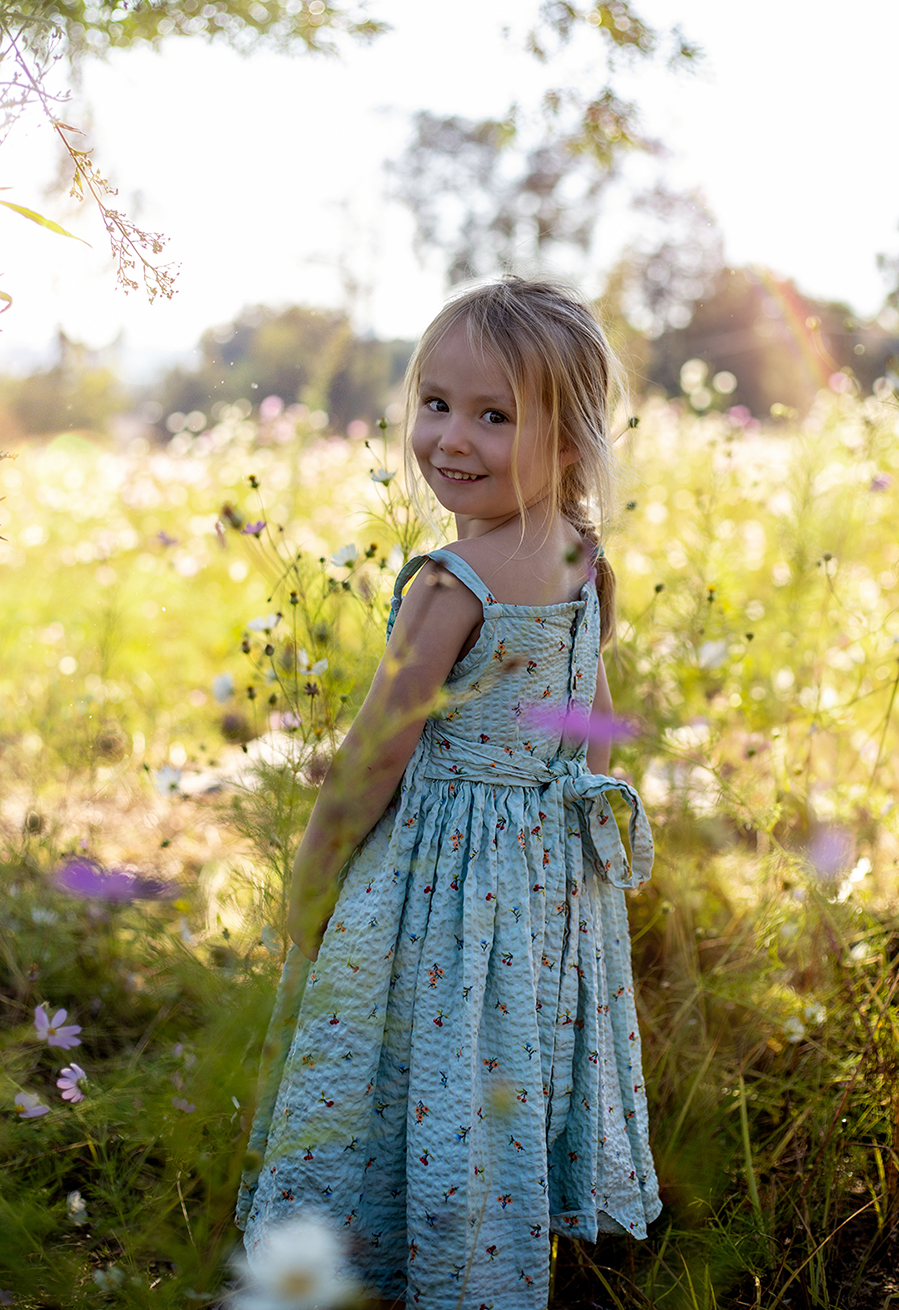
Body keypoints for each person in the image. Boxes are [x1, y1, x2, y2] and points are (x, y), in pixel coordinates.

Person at [236, 278, 660, 1308]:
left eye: (495, 414)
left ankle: (400, 1259)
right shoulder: (582, 559)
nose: (451, 439)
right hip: (542, 881)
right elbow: (589, 724)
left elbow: (375, 754)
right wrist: (568, 860)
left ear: (569, 439)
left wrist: (313, 879)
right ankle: (486, 1260)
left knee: (413, 1060)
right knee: (502, 1066)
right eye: (436, 402)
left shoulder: (450, 583)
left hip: (438, 874)